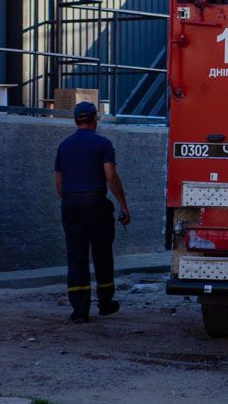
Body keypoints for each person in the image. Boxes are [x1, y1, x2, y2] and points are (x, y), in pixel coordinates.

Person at [55, 101, 131, 323]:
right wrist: (123, 205)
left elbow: (58, 184)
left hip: (70, 203)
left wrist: (70, 200)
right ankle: (105, 303)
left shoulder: (64, 146)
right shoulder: (103, 144)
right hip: (95, 202)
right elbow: (111, 176)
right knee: (102, 253)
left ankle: (79, 310)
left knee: (76, 255)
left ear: (76, 120)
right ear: (95, 118)